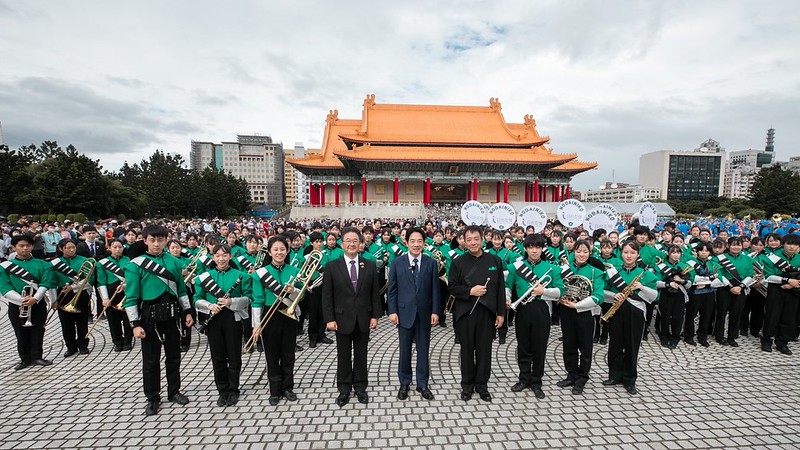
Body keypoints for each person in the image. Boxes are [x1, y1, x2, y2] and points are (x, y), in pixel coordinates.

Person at [124, 224, 194, 416]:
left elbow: (181, 290)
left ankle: (174, 391)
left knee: (174, 357)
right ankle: (153, 397)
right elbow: (130, 297)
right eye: (153, 240)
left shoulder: (174, 262)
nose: (156, 244)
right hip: (149, 317)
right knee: (151, 360)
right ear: (145, 241)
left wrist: (188, 311)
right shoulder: (135, 265)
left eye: (160, 240)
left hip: (172, 314)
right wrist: (135, 324)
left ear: (166, 240)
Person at [321, 227, 381, 407]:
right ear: (342, 243)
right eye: (348, 240)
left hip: (363, 318)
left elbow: (375, 294)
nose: (352, 243)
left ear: (360, 243)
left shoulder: (369, 265)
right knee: (344, 355)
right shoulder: (332, 266)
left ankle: (361, 387)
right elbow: (327, 296)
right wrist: (329, 319)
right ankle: (344, 388)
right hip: (341, 320)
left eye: (355, 240)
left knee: (362, 355)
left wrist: (375, 316)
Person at [448, 225, 506, 402]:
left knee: (484, 351)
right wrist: (470, 291)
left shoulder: (495, 261)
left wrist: (501, 313)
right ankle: (467, 385)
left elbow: (500, 290)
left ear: (483, 239)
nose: (472, 242)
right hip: (465, 313)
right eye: (469, 239)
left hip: (487, 313)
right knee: (466, 351)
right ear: (463, 241)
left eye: (476, 239)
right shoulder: (458, 262)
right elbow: (452, 287)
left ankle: (482, 385)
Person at [504, 234, 563, 399]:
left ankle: (536, 381)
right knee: (523, 346)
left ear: (542, 248)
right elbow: (508, 285)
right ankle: (524, 378)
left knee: (539, 347)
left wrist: (544, 291)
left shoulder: (552, 268)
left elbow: (560, 291)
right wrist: (507, 297)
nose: (534, 250)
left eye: (537, 247)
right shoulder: (516, 267)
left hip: (542, 310)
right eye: (531, 247)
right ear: (525, 248)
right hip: (522, 309)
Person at [387, 227, 441, 401]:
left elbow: (435, 290)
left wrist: (435, 311)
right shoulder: (397, 263)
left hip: (425, 313)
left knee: (423, 350)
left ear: (424, 243)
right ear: (406, 242)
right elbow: (392, 290)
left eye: (419, 241)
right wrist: (392, 311)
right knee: (404, 350)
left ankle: (422, 384)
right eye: (412, 241)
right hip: (404, 313)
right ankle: (404, 382)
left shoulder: (431, 263)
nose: (416, 244)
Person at [195, 243, 252, 407]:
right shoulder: (204, 276)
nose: (221, 258)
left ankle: (233, 389)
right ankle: (222, 390)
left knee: (234, 356)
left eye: (224, 255)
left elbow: (249, 298)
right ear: (213, 257)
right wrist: (208, 305)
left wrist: (231, 301)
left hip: (232, 318)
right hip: (213, 318)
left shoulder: (242, 275)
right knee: (217, 356)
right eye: (217, 255)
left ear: (230, 256)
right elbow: (196, 298)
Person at [251, 236, 303, 406]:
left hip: (289, 315)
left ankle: (287, 386)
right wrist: (256, 325)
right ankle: (274, 389)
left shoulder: (294, 271)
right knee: (271, 354)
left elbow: (300, 297)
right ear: (270, 252)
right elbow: (257, 300)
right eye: (276, 249)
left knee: (288, 353)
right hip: (269, 314)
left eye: (282, 249)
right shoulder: (261, 273)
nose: (279, 252)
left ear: (287, 251)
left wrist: (293, 290)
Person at [602, 241, 659, 395]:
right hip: (616, 311)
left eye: (632, 253)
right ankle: (614, 376)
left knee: (632, 345)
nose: (629, 256)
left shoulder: (645, 273)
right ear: (621, 253)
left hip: (636, 312)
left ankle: (629, 380)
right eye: (626, 252)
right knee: (615, 344)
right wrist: (614, 294)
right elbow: (602, 292)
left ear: (637, 255)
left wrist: (642, 287)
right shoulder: (614, 272)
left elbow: (654, 296)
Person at [0, 234, 56, 370]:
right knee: (20, 332)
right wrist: (21, 300)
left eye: (28, 245)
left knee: (38, 329)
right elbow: (4, 286)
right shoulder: (5, 266)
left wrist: (35, 298)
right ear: (14, 248)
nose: (25, 248)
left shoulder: (43, 264)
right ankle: (24, 359)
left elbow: (46, 282)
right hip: (17, 304)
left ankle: (37, 356)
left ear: (32, 246)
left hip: (37, 302)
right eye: (21, 246)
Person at [556, 239, 604, 395]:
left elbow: (599, 297)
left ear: (589, 253)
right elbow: (558, 288)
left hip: (584, 313)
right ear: (573, 252)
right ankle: (571, 374)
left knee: (585, 348)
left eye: (585, 251)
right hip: (566, 311)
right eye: (578, 251)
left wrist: (578, 305)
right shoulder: (565, 269)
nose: (581, 254)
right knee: (568, 345)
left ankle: (582, 378)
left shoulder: (595, 271)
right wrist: (559, 297)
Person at [51, 238, 94, 356]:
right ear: (61, 249)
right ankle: (71, 346)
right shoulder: (55, 263)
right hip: (63, 293)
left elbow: (90, 279)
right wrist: (53, 300)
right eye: (67, 248)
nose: (71, 250)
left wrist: (73, 287)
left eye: (73, 248)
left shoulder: (85, 260)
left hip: (81, 292)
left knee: (82, 320)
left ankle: (83, 345)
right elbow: (52, 282)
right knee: (66, 322)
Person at [761, 233, 800, 354]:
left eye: (795, 244)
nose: (792, 247)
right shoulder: (772, 257)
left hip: (793, 291)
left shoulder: (799, 258)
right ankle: (767, 340)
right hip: (776, 290)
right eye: (789, 244)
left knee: (789, 317)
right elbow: (769, 276)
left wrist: (792, 284)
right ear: (783, 244)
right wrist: (787, 280)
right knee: (772, 316)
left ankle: (782, 342)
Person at [95, 239, 133, 351]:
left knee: (128, 318)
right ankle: (117, 341)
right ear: (109, 248)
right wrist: (105, 298)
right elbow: (101, 281)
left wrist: (125, 285)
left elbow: (132, 277)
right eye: (115, 247)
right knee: (113, 319)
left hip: (126, 291)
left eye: (120, 247)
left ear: (123, 248)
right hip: (111, 291)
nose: (117, 249)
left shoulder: (129, 261)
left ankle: (128, 341)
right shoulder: (102, 263)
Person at [655, 245, 692, 349]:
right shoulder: (661, 266)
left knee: (678, 316)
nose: (676, 255)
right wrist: (668, 284)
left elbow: (690, 284)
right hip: (665, 293)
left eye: (678, 252)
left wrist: (682, 281)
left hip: (680, 294)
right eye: (673, 252)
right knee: (665, 316)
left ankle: (675, 337)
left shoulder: (685, 266)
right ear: (668, 253)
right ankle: (664, 337)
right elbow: (656, 282)